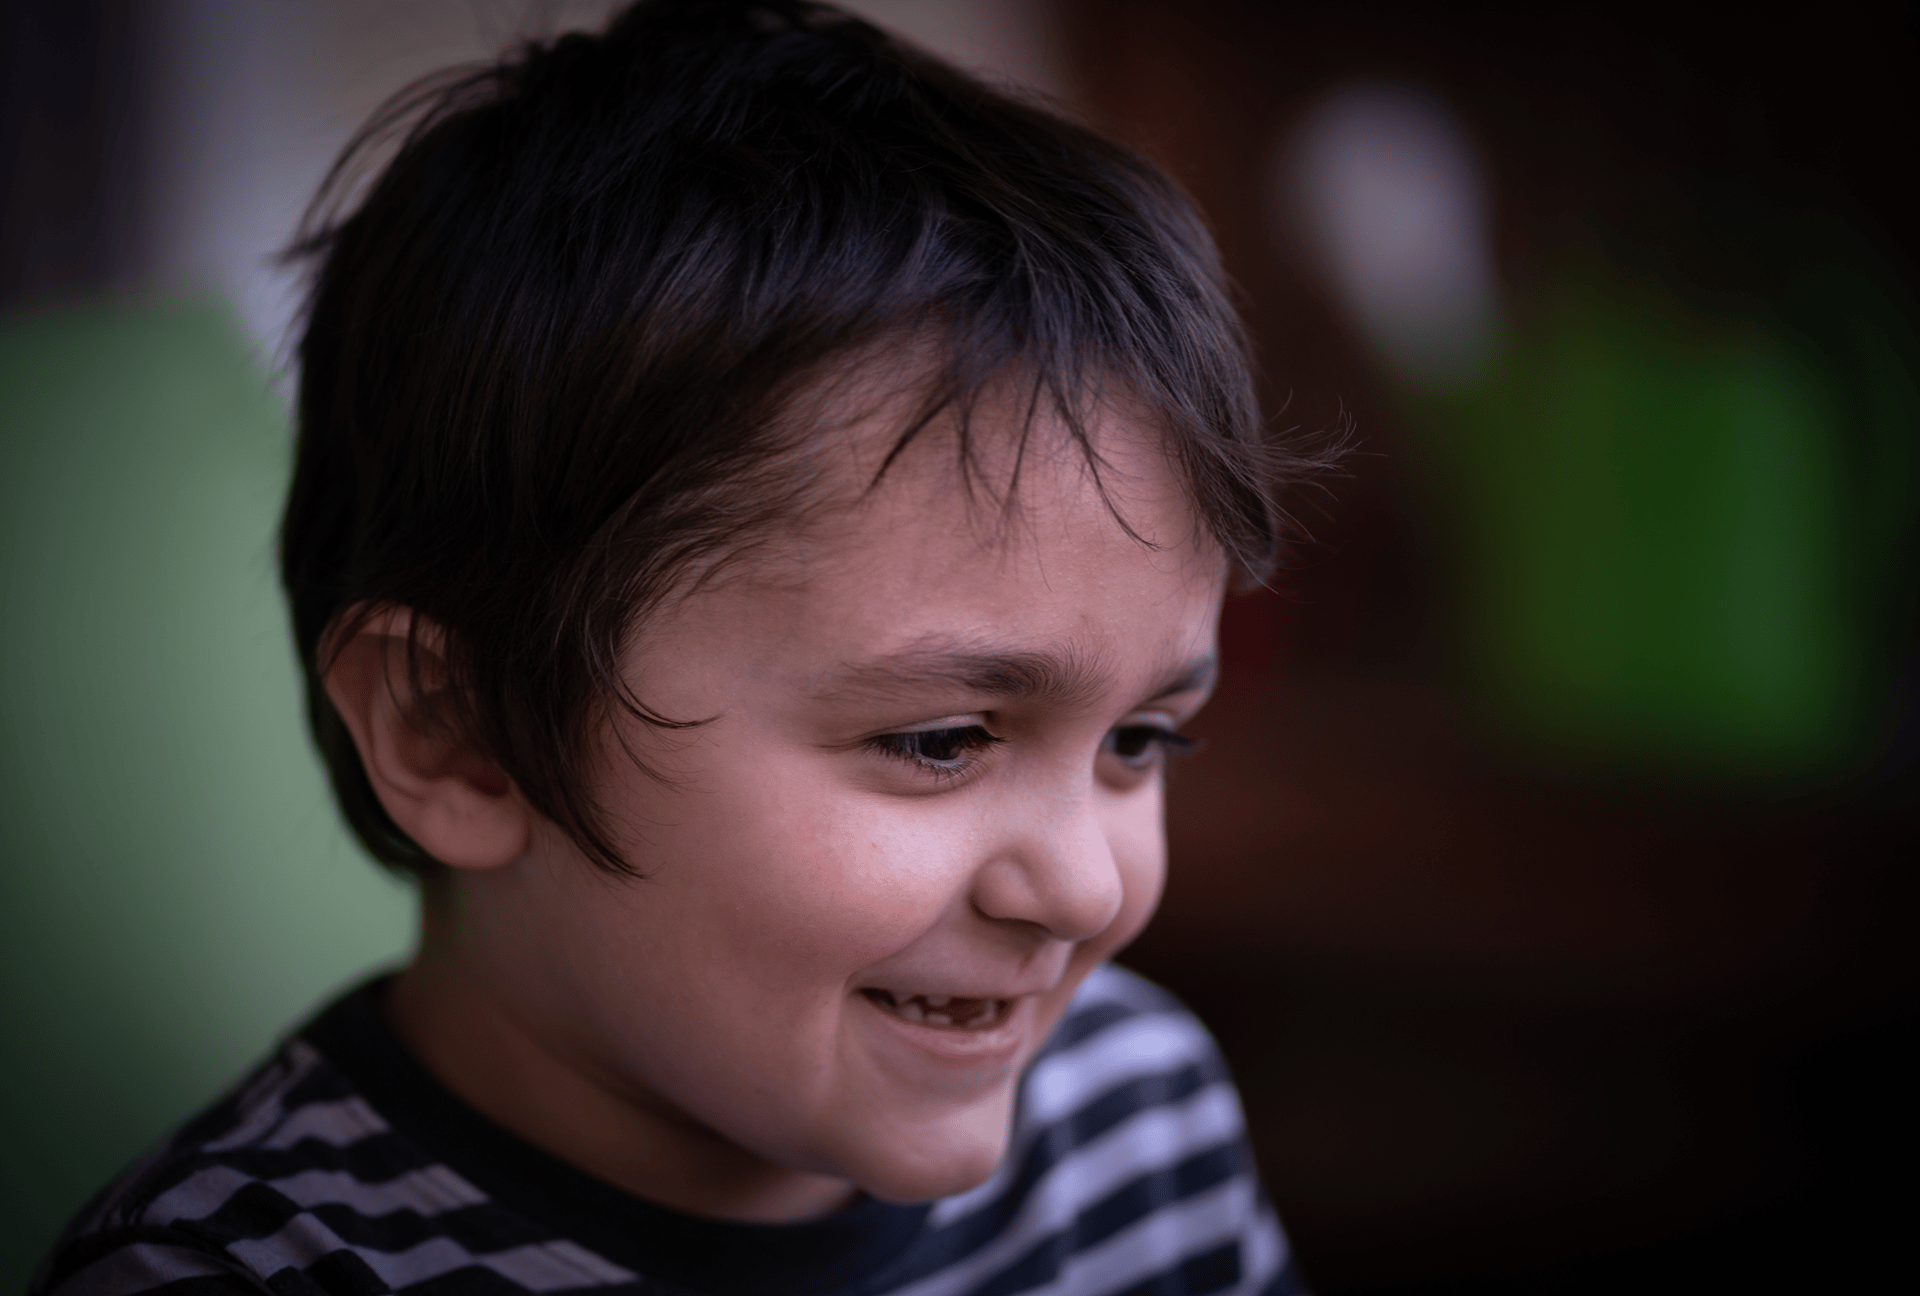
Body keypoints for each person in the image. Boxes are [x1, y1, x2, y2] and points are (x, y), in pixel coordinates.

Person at [33, 3, 1317, 1293]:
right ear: (459, 736)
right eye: (940, 740)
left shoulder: (1138, 1120)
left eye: (1138, 741)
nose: (1089, 891)